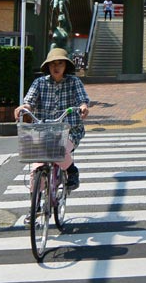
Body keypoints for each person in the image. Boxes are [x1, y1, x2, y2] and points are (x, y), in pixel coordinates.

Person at [14, 48, 90, 190]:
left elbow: (82, 100)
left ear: (65, 66)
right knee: (36, 168)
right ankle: (35, 205)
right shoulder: (39, 83)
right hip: (43, 131)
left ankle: (72, 170)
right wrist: (24, 107)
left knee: (57, 150)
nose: (56, 67)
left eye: (60, 63)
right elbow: (29, 101)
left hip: (69, 130)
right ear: (48, 66)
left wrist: (83, 107)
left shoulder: (74, 82)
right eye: (52, 64)